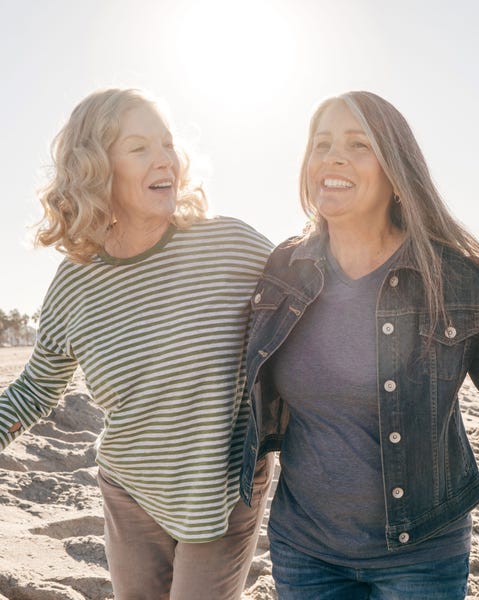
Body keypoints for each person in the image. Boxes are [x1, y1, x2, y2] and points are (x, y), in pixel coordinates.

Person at [0, 88, 275, 599]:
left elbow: (318, 299)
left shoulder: (231, 246)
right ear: (96, 169)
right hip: (130, 491)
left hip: (221, 488)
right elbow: (36, 390)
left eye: (167, 143)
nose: (164, 159)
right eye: (139, 147)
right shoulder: (74, 283)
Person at [238, 91, 479, 599]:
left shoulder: (452, 277)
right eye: (322, 144)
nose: (333, 157)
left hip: (422, 554)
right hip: (304, 547)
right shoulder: (285, 268)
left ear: (396, 170)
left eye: (358, 144)